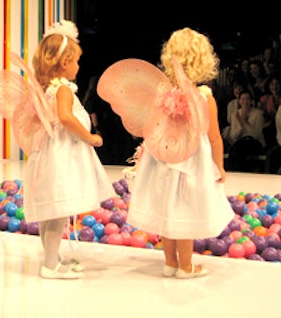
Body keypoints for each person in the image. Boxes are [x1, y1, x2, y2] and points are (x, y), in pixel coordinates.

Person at [98, 27, 234, 279]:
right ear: (202, 61)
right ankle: (186, 266)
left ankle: (170, 262)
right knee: (185, 210)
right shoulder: (205, 98)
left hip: (162, 159)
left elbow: (152, 127)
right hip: (191, 162)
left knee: (167, 209)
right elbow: (214, 137)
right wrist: (219, 166)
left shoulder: (161, 94)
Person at [0, 20, 115, 279]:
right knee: (57, 214)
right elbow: (67, 119)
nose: (78, 66)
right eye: (76, 61)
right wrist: (90, 136)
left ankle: (51, 258)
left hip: (48, 154)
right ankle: (50, 266)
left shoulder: (45, 90)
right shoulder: (63, 90)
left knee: (50, 214)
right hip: (61, 158)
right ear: (65, 63)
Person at [224, 90, 266, 172]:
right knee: (237, 148)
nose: (245, 101)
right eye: (243, 99)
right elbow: (233, 136)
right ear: (239, 101)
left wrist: (245, 123)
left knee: (242, 147)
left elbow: (256, 135)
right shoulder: (235, 115)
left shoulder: (258, 114)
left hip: (255, 143)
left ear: (251, 101)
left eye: (248, 99)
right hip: (240, 143)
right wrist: (240, 125)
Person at [257, 74, 281, 149]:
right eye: (272, 84)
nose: (274, 87)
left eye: (277, 84)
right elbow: (263, 119)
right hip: (269, 129)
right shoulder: (264, 99)